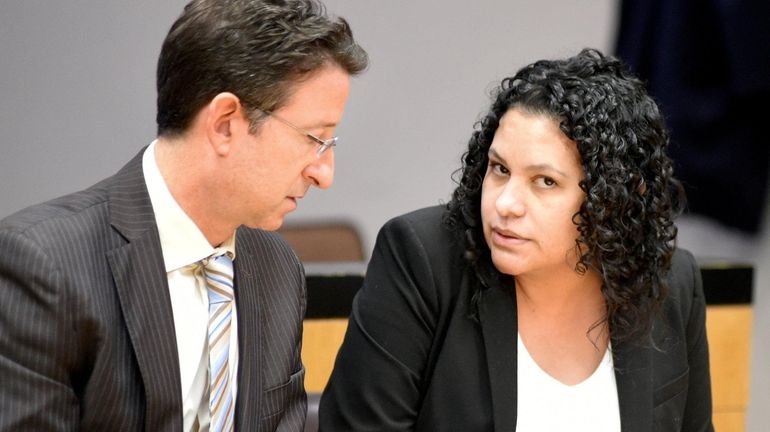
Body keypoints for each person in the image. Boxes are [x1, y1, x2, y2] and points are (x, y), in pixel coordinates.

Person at [0, 0, 367, 430]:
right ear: (226, 123)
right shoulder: (45, 265)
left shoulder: (275, 267)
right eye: (314, 140)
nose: (324, 174)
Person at [319, 49, 712, 431]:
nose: (506, 204)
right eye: (500, 169)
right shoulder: (423, 260)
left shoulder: (669, 281)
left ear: (615, 196)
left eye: (545, 182)